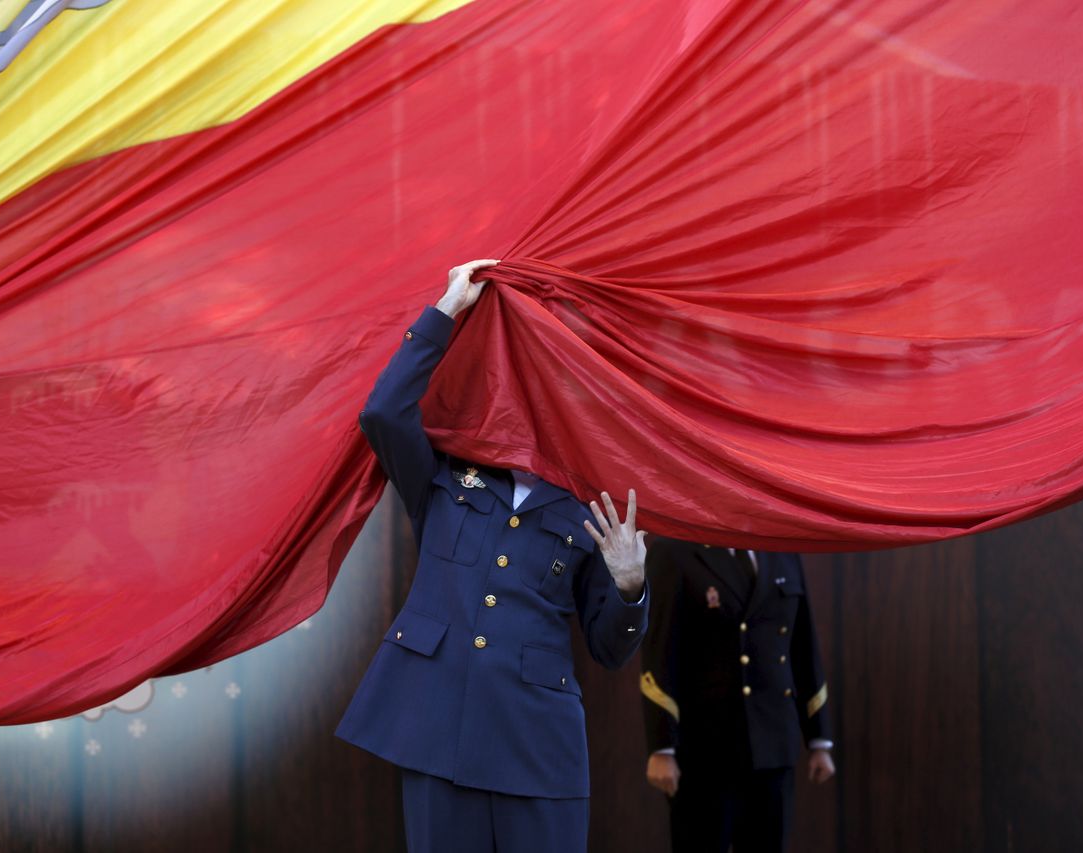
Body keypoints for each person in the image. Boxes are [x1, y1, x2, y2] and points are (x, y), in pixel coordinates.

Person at [336, 259, 650, 853]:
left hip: (535, 741)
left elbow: (610, 647)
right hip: (437, 726)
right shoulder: (448, 475)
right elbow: (382, 413)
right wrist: (448, 309)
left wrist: (631, 586)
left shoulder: (590, 505)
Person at [640, 537, 835, 853]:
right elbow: (661, 650)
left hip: (773, 744)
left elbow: (803, 646)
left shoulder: (781, 546)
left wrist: (819, 738)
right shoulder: (675, 549)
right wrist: (661, 747)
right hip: (705, 749)